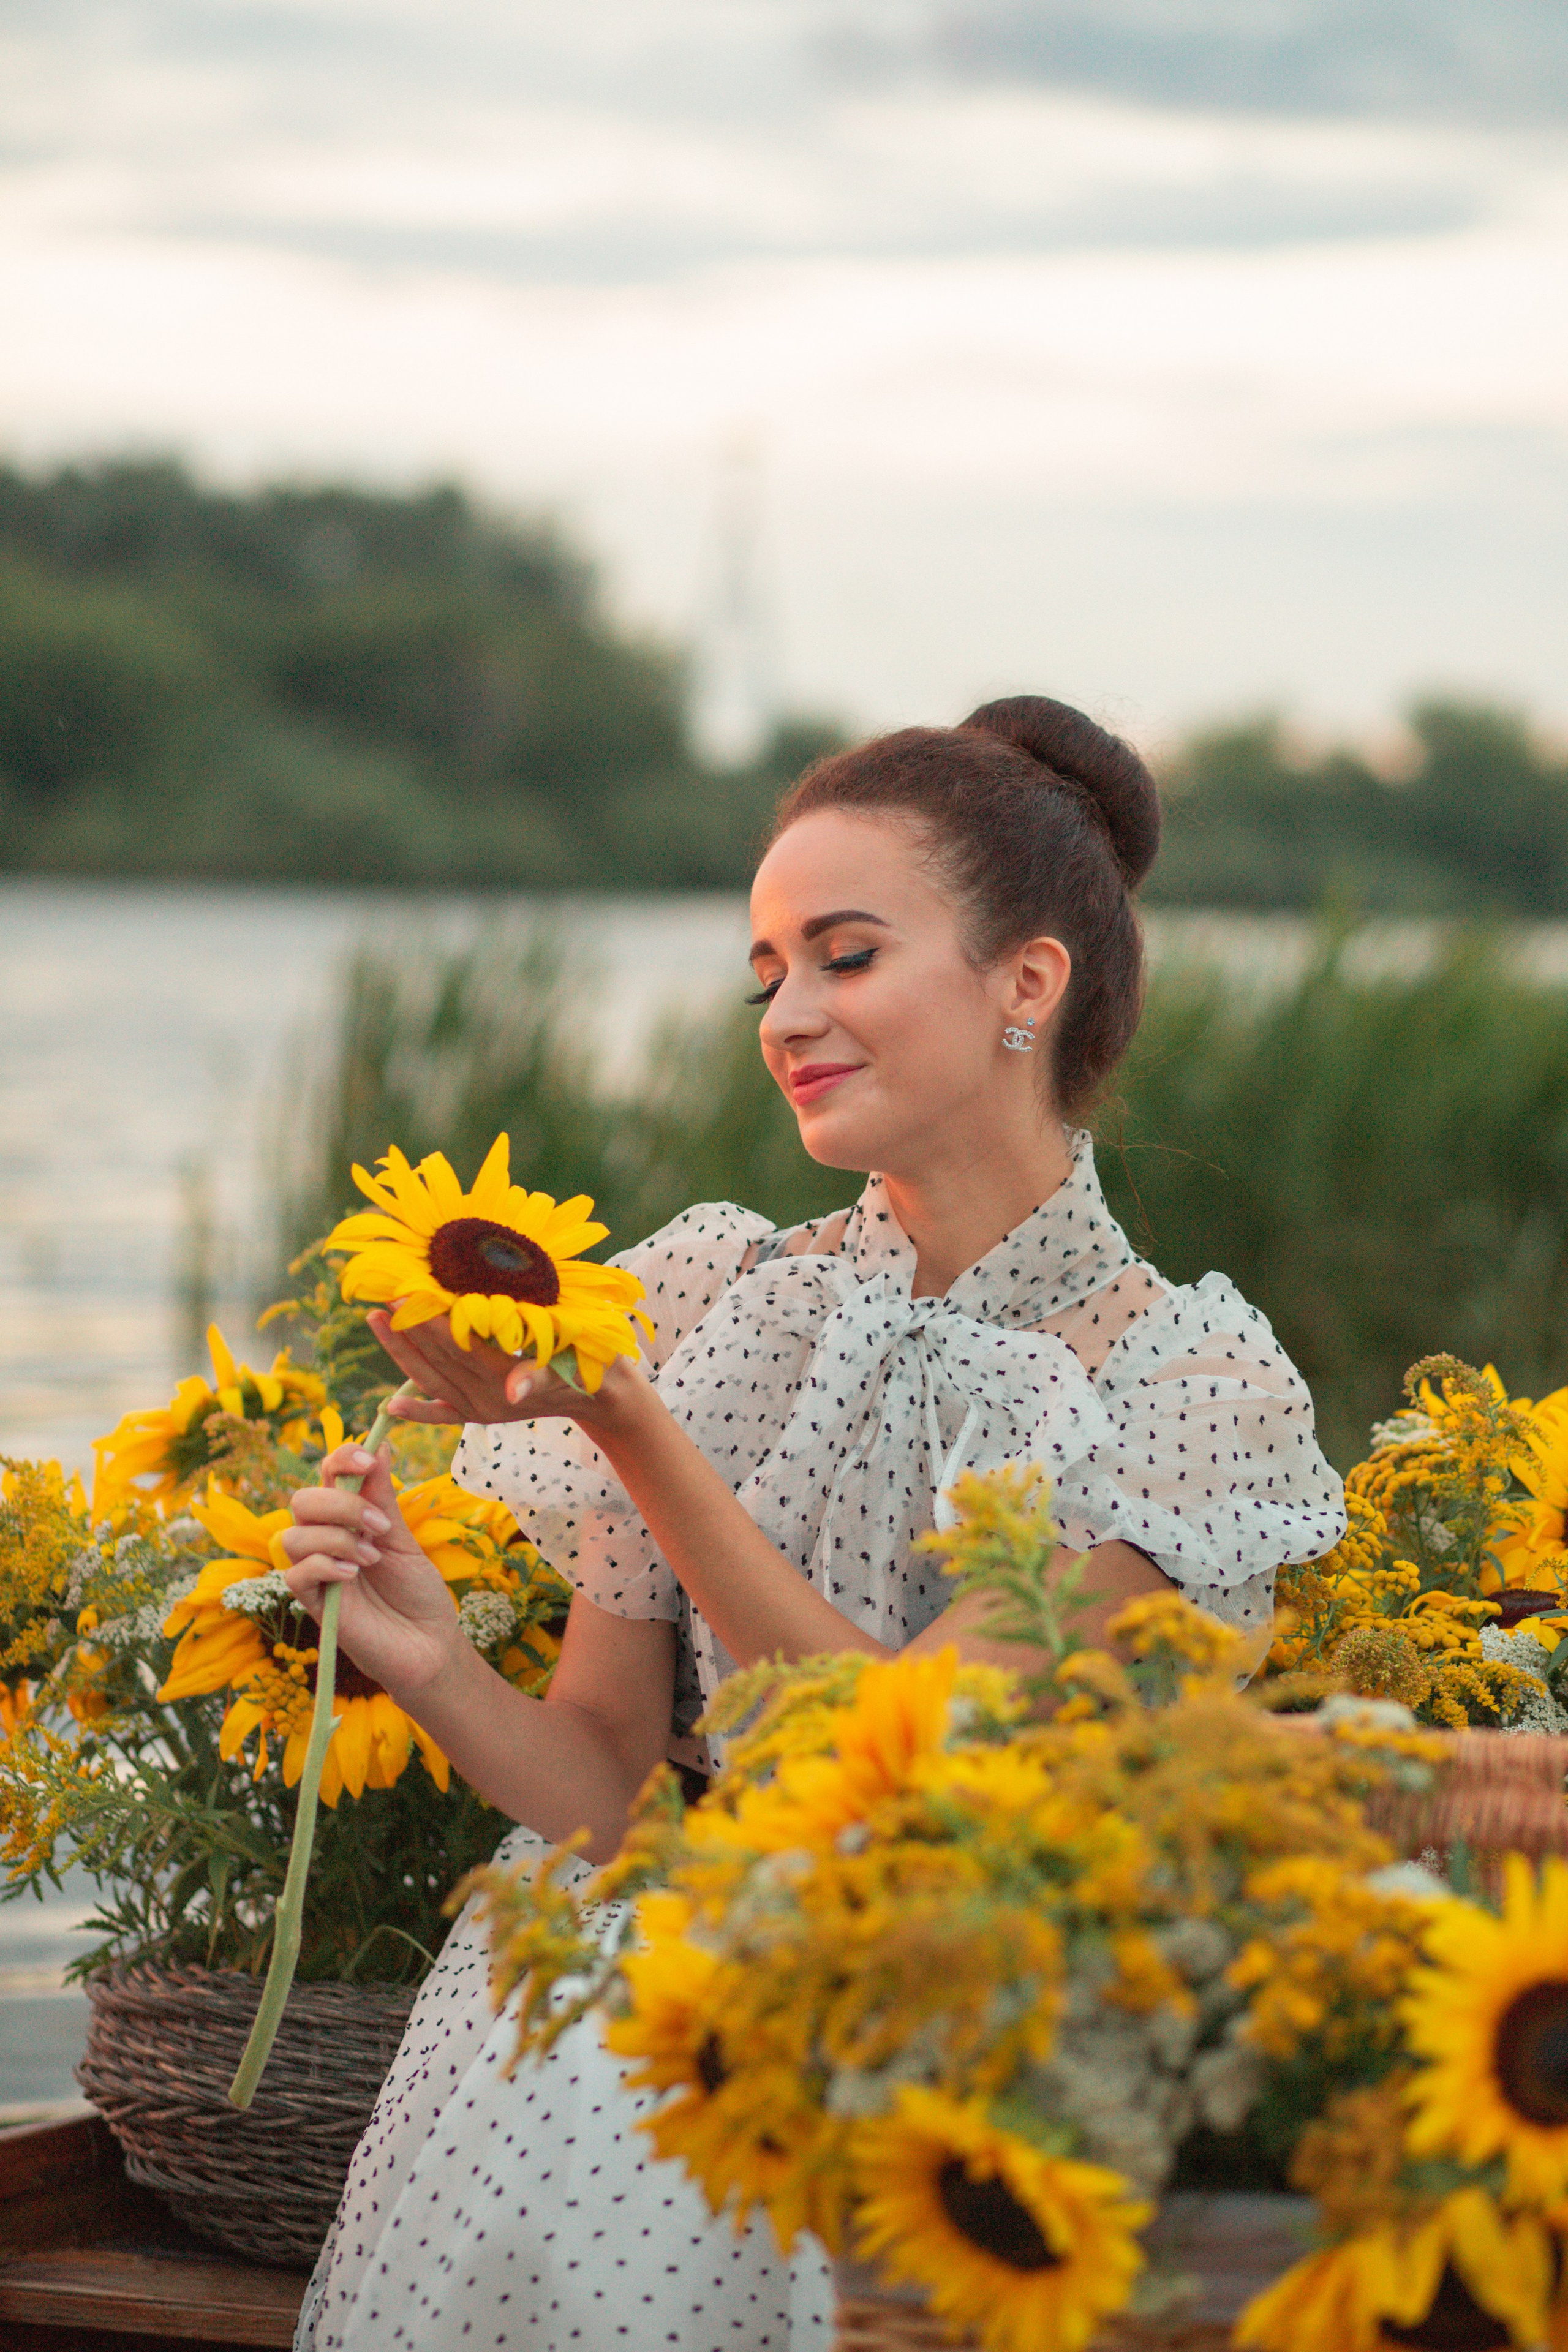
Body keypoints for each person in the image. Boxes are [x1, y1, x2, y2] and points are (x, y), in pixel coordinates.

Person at [284, 696, 1346, 2352]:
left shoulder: (1187, 1388)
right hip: (604, 2046)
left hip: (937, 2059)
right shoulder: (721, 1290)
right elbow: (614, 1795)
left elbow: (890, 1781)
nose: (788, 1016)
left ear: (1027, 982)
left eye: (846, 956)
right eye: (765, 973)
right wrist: (427, 1663)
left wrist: (633, 1427)